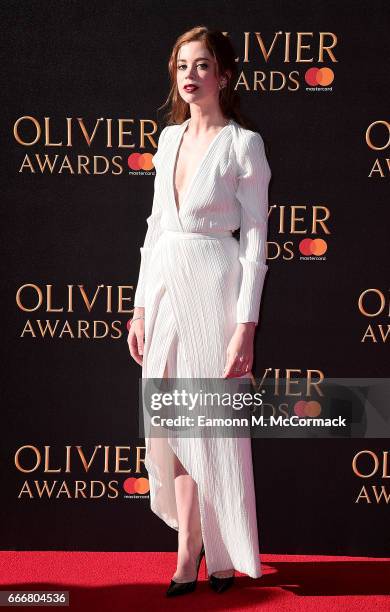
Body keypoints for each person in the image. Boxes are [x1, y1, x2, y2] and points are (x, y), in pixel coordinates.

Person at [128, 26, 272, 597]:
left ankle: (223, 550)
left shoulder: (243, 145)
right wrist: (140, 307)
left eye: (202, 64)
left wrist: (246, 325)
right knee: (171, 421)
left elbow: (257, 241)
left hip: (216, 285)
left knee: (209, 420)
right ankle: (189, 548)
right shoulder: (167, 141)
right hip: (165, 289)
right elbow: (156, 229)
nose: (190, 75)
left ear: (224, 75)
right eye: (182, 65)